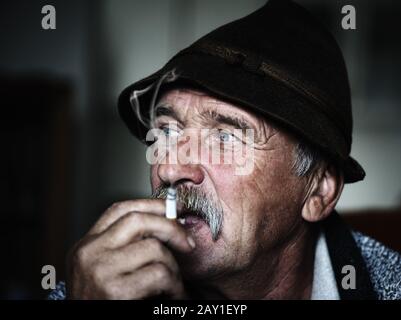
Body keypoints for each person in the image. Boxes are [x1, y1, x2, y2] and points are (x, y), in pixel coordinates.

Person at [49, 0, 401, 300]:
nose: (170, 169)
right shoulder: (97, 288)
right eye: (167, 131)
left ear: (319, 190)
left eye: (225, 138)